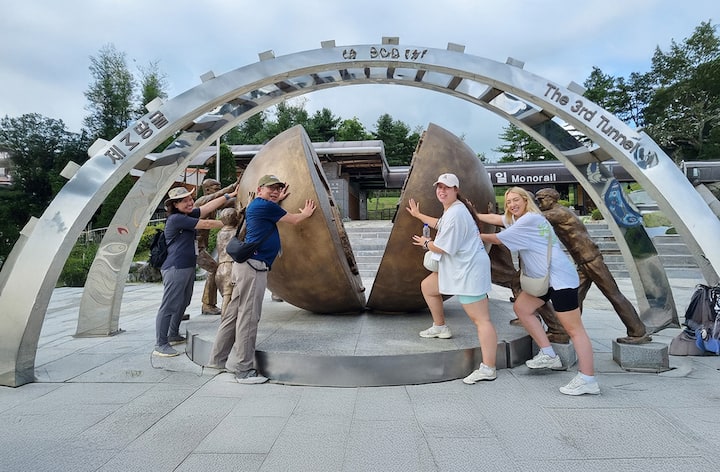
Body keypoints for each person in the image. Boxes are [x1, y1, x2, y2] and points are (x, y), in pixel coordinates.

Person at [477, 186, 600, 395]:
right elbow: (497, 219)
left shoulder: (530, 220)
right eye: (508, 202)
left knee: (574, 330)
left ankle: (588, 379)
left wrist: (472, 234)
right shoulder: (522, 219)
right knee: (522, 308)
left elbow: (497, 239)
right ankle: (548, 354)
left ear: (526, 200)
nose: (512, 205)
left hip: (559, 280)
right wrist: (474, 214)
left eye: (516, 200)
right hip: (545, 280)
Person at [207, 174, 316, 384]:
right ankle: (243, 369)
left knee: (232, 314)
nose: (275, 192)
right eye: (270, 189)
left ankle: (216, 361)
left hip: (244, 267)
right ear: (259, 190)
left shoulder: (256, 205)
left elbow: (270, 209)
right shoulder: (266, 206)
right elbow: (294, 219)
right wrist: (306, 213)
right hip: (253, 268)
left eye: (278, 189)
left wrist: (276, 199)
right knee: (248, 317)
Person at [406, 173, 498, 384]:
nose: (442, 191)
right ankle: (440, 326)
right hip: (459, 267)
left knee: (482, 320)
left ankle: (488, 368)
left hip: (468, 270)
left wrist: (425, 243)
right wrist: (418, 215)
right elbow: (440, 224)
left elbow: (443, 248)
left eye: (447, 187)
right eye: (439, 187)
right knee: (428, 286)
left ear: (456, 189)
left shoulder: (456, 213)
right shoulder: (453, 209)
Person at [535, 188, 651, 344]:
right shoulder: (555, 212)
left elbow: (533, 219)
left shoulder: (558, 212)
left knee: (613, 295)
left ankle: (638, 332)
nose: (539, 203)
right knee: (575, 297)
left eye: (541, 199)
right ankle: (564, 331)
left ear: (551, 198)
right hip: (583, 261)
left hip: (591, 260)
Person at [153, 185, 239, 357]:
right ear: (175, 205)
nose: (189, 202)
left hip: (187, 266)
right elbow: (206, 223)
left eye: (190, 199)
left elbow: (207, 208)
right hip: (175, 267)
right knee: (169, 305)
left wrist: (230, 195)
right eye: (184, 201)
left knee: (183, 301)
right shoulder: (176, 219)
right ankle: (161, 344)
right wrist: (233, 223)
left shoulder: (187, 214)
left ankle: (173, 334)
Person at [194, 178, 239, 316]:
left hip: (201, 247)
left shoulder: (212, 205)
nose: (219, 191)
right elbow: (217, 197)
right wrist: (233, 186)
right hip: (194, 248)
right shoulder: (201, 202)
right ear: (207, 189)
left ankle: (207, 304)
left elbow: (231, 201)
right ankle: (208, 304)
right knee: (215, 269)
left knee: (213, 270)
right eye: (216, 188)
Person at [214, 207, 241, 318]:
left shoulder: (220, 233)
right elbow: (244, 227)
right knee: (228, 299)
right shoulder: (235, 233)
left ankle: (226, 322)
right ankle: (225, 323)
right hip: (230, 267)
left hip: (220, 268)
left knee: (226, 297)